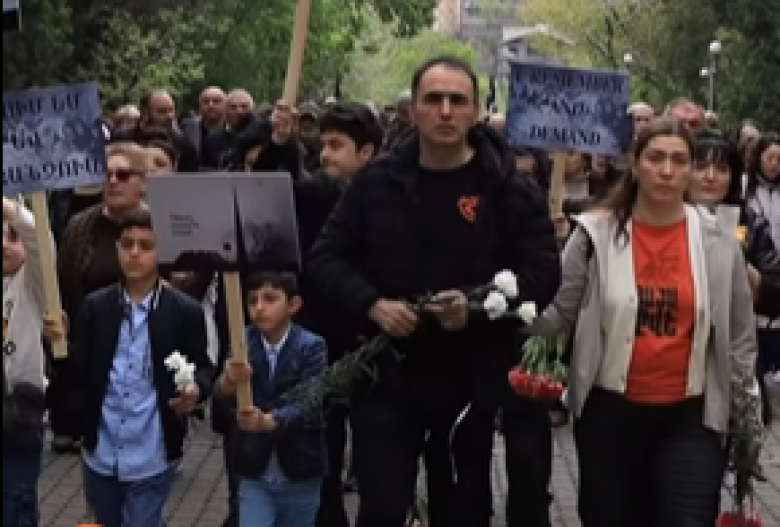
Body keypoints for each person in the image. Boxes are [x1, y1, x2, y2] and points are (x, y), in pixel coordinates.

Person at [306, 56, 561, 527]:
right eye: (433, 99)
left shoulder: (509, 187)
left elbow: (544, 272)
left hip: (471, 381)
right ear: (414, 110)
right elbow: (325, 258)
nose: (445, 111)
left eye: (457, 100)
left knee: (463, 511)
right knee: (382, 508)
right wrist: (373, 304)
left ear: (475, 112)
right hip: (387, 375)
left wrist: (477, 308)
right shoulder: (376, 183)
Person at [529, 118, 762, 527]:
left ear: (689, 171)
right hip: (609, 414)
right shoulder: (594, 235)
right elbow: (559, 314)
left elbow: (740, 337)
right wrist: (517, 304)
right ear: (635, 165)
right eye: (655, 158)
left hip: (691, 417)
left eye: (679, 160)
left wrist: (746, 416)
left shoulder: (719, 242)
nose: (667, 170)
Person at [70, 209, 214, 527]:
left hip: (152, 451)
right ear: (117, 248)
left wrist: (196, 391)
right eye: (127, 244)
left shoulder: (184, 312)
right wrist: (58, 346)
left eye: (146, 246)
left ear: (162, 252)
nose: (134, 253)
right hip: (102, 450)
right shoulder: (96, 306)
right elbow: (78, 371)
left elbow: (204, 368)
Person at [216, 271, 328, 527]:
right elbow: (221, 399)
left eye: (269, 299)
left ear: (293, 304)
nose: (259, 308)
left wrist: (271, 421)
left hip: (300, 468)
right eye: (252, 301)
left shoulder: (311, 346)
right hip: (254, 469)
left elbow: (312, 400)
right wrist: (228, 381)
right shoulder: (242, 343)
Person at [2, 196, 56, 526]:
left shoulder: (32, 283)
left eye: (12, 236)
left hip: (20, 418)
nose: (3, 245)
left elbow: (41, 241)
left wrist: (11, 210)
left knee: (16, 502)